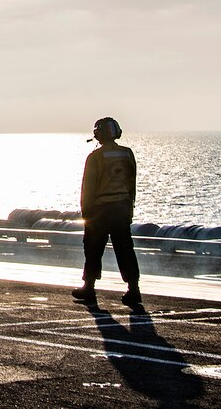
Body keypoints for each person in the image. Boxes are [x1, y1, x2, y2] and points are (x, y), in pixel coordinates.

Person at [72, 117, 142, 308]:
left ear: (99, 134)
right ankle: (133, 289)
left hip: (100, 210)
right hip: (121, 208)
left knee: (93, 249)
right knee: (125, 250)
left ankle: (89, 287)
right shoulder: (127, 154)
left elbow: (88, 188)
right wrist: (130, 208)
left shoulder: (95, 157)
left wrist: (86, 214)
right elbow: (132, 183)